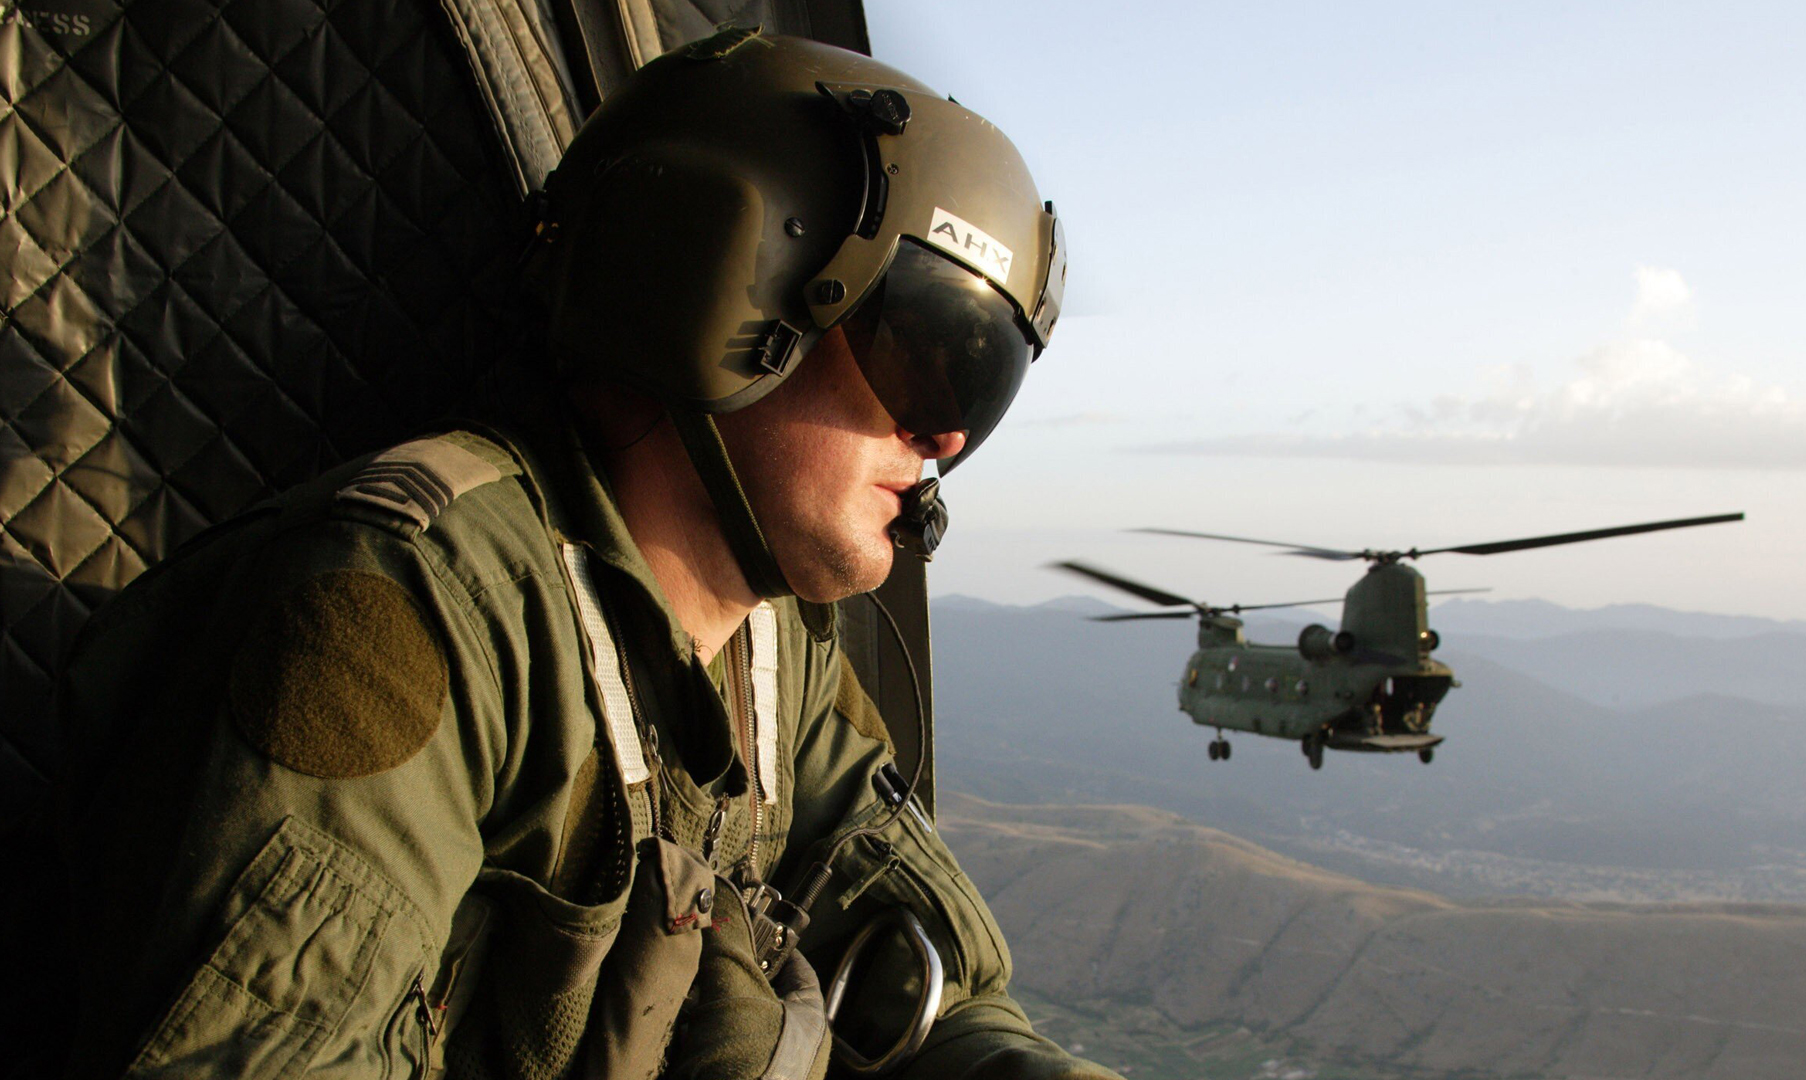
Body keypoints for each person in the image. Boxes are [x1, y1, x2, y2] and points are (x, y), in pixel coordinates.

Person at [56, 28, 1104, 1080]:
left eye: (980, 382)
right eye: (920, 356)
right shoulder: (407, 620)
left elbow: (931, 991)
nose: (947, 439)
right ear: (716, 276)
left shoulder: (778, 657)